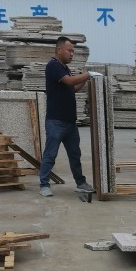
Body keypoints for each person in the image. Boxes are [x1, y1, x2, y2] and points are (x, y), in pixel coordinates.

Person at [39, 36, 94, 198]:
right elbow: (70, 82)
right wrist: (87, 74)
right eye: (69, 51)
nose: (72, 54)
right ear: (59, 50)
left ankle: (80, 183)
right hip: (55, 121)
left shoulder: (64, 68)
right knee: (50, 154)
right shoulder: (53, 66)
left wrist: (85, 79)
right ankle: (44, 185)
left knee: (75, 154)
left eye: (73, 51)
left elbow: (72, 88)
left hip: (69, 122)